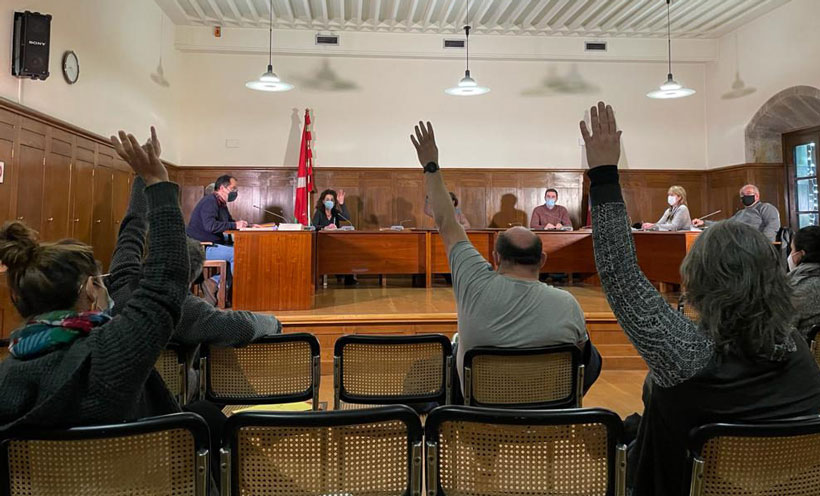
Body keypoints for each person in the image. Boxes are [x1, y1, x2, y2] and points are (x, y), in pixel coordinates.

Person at [580, 101, 820, 496]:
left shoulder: (684, 353)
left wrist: (604, 173)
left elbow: (620, 274)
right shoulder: (796, 346)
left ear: (698, 281)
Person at [0, 127, 191, 431]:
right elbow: (165, 281)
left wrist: (147, 180)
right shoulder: (116, 349)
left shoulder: (8, 373)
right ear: (90, 288)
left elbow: (149, 264)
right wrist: (155, 181)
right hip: (136, 463)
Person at [410, 121, 600, 400]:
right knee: (593, 356)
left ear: (496, 257)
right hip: (545, 415)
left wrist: (431, 164)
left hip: (479, 414)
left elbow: (446, 221)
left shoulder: (473, 284)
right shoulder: (568, 305)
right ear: (542, 260)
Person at [108, 156, 282, 402]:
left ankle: (216, 283)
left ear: (148, 259)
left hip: (125, 397)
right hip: (170, 403)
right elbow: (242, 326)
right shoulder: (187, 311)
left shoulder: (122, 283)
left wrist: (143, 176)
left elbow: (132, 229)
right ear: (193, 273)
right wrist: (274, 323)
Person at [186, 174, 250, 289]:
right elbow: (210, 226)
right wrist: (235, 225)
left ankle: (213, 283)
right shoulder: (210, 202)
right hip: (202, 248)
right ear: (222, 188)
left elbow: (230, 223)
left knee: (243, 250)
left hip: (213, 244)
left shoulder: (221, 204)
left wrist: (248, 226)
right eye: (233, 188)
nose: (235, 192)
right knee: (238, 254)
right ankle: (231, 291)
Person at [692, 184, 781, 242]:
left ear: (757, 196)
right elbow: (726, 224)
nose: (745, 196)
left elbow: (773, 226)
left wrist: (763, 242)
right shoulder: (740, 213)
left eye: (748, 193)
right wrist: (704, 223)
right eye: (742, 194)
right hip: (739, 243)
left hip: (756, 243)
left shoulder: (765, 208)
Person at [788, 226, 820, 338]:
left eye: (792, 249)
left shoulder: (797, 288)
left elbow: (781, 332)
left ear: (800, 254)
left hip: (805, 346)